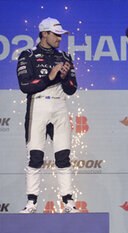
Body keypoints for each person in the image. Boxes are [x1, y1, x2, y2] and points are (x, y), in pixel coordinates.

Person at [17, 17, 78, 213]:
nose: (60, 39)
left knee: (63, 156)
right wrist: (50, 77)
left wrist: (64, 78)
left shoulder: (66, 57)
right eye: (56, 35)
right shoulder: (28, 55)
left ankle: (68, 202)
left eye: (61, 35)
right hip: (38, 106)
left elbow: (71, 89)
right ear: (44, 33)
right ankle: (31, 202)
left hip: (60, 107)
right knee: (35, 156)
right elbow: (25, 86)